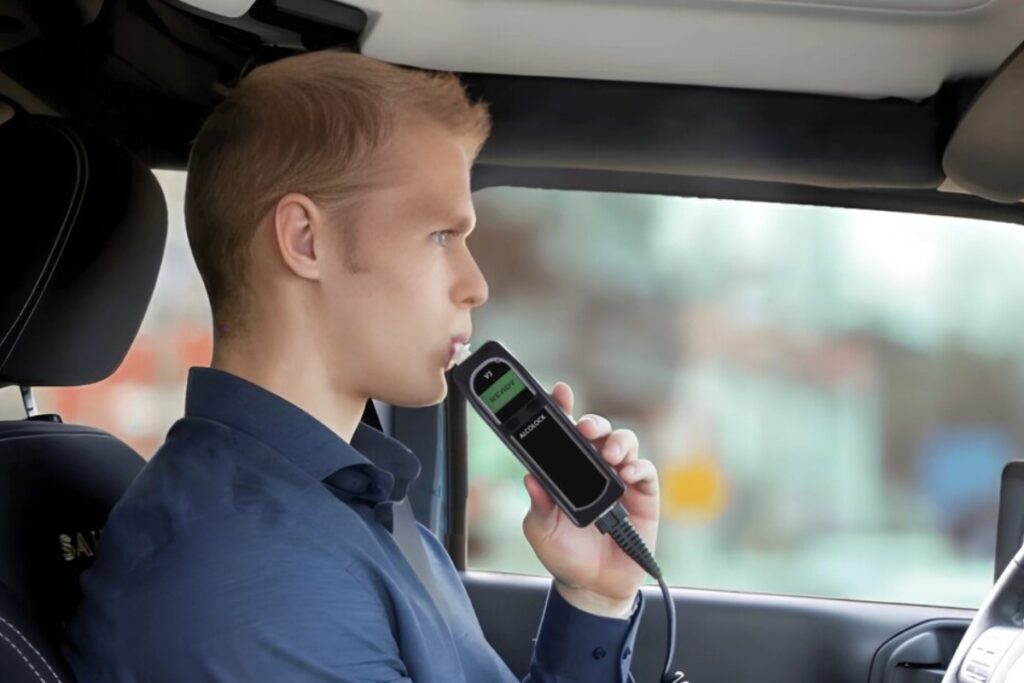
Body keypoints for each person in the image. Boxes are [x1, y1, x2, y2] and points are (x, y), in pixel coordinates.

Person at [62, 49, 663, 682]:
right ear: (306, 240)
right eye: (441, 236)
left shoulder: (351, 505)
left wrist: (594, 597)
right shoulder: (261, 581)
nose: (476, 285)